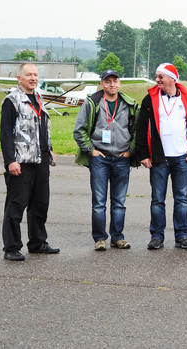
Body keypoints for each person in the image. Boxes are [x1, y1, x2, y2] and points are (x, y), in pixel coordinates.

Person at [134, 63, 187, 250]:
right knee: (157, 199)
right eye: (156, 76)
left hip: (181, 157)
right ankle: (157, 236)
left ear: (172, 79)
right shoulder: (149, 99)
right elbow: (141, 129)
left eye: (161, 76)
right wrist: (143, 154)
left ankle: (182, 236)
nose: (157, 79)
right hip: (159, 158)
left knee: (181, 199)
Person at [73, 69, 139, 251]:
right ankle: (100, 238)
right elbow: (79, 131)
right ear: (101, 84)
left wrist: (130, 150)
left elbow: (138, 131)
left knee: (119, 202)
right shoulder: (92, 103)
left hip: (121, 159)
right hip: (100, 159)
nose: (112, 85)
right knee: (99, 203)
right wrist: (91, 150)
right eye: (107, 81)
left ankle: (117, 237)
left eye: (115, 81)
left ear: (119, 83)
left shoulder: (129, 104)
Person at [0, 63, 59, 261]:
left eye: (35, 74)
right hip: (21, 161)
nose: (33, 78)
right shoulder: (12, 101)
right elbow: (6, 133)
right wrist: (10, 160)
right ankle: (12, 247)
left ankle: (38, 242)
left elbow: (41, 128)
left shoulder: (39, 98)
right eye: (28, 75)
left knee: (40, 203)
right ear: (19, 78)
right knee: (16, 205)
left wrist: (49, 150)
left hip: (41, 159)